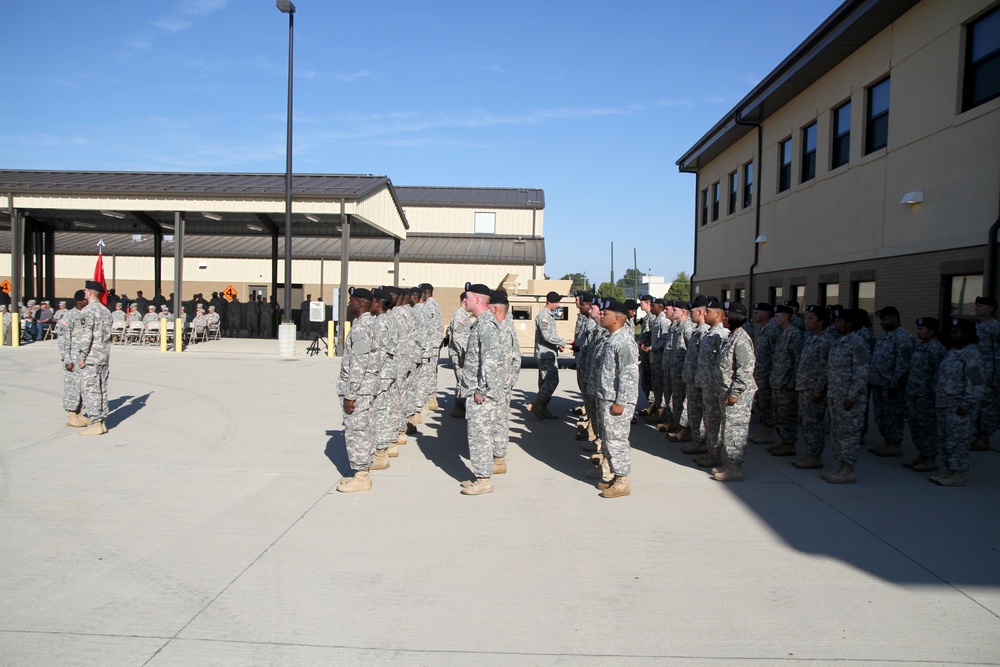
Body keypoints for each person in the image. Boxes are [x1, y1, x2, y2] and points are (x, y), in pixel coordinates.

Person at [458, 283, 503, 495]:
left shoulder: (486, 325)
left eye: (467, 297)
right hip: (476, 391)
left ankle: (484, 480)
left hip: (481, 395)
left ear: (477, 300)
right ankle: (480, 475)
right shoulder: (481, 323)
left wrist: (481, 390)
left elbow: (491, 361)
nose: (464, 301)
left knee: (480, 436)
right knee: (477, 436)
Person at [335, 287, 381, 493]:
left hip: (359, 389)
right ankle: (363, 471)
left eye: (351, 300)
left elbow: (359, 363)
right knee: (365, 428)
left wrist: (350, 394)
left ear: (361, 303)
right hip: (366, 387)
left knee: (357, 431)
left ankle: (361, 476)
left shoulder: (362, 328)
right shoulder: (365, 324)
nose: (348, 304)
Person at [593, 298, 640, 498]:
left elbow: (628, 374)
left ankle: (622, 481)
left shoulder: (624, 341)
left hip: (617, 401)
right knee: (609, 440)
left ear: (617, 319)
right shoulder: (612, 338)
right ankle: (614, 476)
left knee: (617, 441)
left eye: (606, 314)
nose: (601, 316)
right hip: (608, 398)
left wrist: (621, 401)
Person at [931, 318, 986, 486]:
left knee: (957, 441)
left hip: (958, 406)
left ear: (967, 334)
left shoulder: (972, 354)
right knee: (946, 440)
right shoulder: (954, 351)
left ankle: (957, 473)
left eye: (956, 333)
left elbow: (977, 382)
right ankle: (949, 471)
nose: (952, 336)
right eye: (951, 333)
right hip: (944, 404)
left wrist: (967, 404)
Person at [710, 301, 757, 481]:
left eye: (727, 315)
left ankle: (736, 468)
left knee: (735, 430)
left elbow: (745, 369)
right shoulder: (732, 336)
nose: (724, 319)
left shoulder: (742, 339)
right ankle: (730, 464)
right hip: (727, 392)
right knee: (728, 430)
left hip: (737, 395)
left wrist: (735, 392)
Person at [823, 307, 871, 483]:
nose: (836, 324)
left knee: (849, 433)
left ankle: (849, 469)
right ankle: (841, 466)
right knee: (837, 432)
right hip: (836, 397)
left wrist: (852, 396)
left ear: (849, 324)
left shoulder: (858, 343)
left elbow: (862, 372)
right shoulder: (838, 342)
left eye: (840, 321)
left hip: (849, 399)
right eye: (835, 321)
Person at [792, 305, 835, 469]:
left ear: (821, 321)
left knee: (814, 424)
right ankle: (810, 454)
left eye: (811, 318)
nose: (807, 320)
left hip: (814, 390)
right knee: (805, 423)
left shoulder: (825, 341)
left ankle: (814, 456)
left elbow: (825, 368)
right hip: (805, 387)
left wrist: (818, 390)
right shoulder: (811, 337)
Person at [868, 306, 915, 457]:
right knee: (880, 414)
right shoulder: (884, 336)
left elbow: (903, 364)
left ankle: (895, 443)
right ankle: (886, 441)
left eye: (884, 319)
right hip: (878, 382)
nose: (881, 322)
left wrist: (895, 383)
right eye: (881, 319)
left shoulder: (904, 337)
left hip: (891, 385)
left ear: (894, 318)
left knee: (893, 415)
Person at [904, 317, 947, 472]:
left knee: (927, 428)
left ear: (932, 331)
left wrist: (935, 395)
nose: (919, 332)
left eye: (922, 329)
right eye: (919, 329)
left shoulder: (937, 349)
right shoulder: (920, 347)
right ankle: (922, 454)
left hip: (927, 396)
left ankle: (930, 458)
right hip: (915, 393)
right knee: (916, 427)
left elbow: (939, 374)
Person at [693, 298, 729, 468]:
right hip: (706, 384)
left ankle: (715, 452)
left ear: (719, 314)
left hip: (715, 386)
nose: (705, 314)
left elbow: (724, 363)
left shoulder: (721, 334)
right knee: (708, 419)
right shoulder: (710, 332)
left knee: (714, 419)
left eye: (708, 312)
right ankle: (710, 450)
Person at [488, 290, 521, 475]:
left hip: (499, 384)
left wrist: (507, 382)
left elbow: (514, 356)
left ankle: (499, 458)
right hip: (503, 383)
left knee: (498, 420)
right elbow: (517, 356)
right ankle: (499, 454)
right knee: (500, 419)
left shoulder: (501, 328)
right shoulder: (505, 326)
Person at [74, 281, 113, 435]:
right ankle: (101, 421)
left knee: (90, 389)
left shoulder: (88, 311)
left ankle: (95, 422)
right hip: (103, 355)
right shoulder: (105, 311)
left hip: (91, 356)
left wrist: (82, 355)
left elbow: (86, 336)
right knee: (102, 389)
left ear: (89, 292)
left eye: (85, 290)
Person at [768, 304, 804, 457]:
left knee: (787, 414)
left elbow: (798, 359)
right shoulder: (782, 333)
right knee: (778, 414)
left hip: (786, 382)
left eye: (777, 316)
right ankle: (784, 441)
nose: (775, 318)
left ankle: (789, 443)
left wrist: (794, 379)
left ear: (786, 317)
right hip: (777, 380)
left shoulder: (794, 334)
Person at [370, 288, 399, 470]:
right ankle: (385, 448)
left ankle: (380, 455)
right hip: (388, 372)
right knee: (385, 411)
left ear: (378, 304)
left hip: (381, 374)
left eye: (372, 301)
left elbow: (377, 353)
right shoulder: (389, 319)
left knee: (380, 413)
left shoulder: (381, 323)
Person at [531, 291, 567, 419]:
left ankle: (543, 408)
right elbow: (546, 336)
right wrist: (562, 341)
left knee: (544, 381)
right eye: (556, 302)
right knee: (552, 380)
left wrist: (557, 345)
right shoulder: (543, 316)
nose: (558, 305)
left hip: (549, 351)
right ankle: (536, 404)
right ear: (549, 302)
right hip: (546, 353)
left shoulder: (549, 315)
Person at [58, 290, 88, 427]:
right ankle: (71, 414)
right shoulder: (69, 316)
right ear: (80, 300)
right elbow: (63, 338)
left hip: (84, 357)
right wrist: (67, 359)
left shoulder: (87, 314)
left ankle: (78, 412)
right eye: (86, 299)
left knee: (82, 386)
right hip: (72, 357)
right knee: (72, 385)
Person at [749, 302, 779, 444]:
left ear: (766, 314)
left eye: (757, 313)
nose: (754, 315)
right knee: (761, 403)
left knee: (767, 405)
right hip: (760, 373)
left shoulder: (772, 330)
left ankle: (767, 433)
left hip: (767, 374)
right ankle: (763, 431)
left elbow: (776, 354)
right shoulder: (763, 329)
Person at [972, 296, 999, 451]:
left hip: (989, 375)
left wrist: (997, 378)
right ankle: (977, 434)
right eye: (976, 305)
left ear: (990, 309)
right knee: (976, 404)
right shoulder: (977, 327)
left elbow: (999, 354)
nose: (976, 308)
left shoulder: (995, 328)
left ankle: (985, 437)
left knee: (988, 407)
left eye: (980, 306)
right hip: (976, 373)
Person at [447, 291, 474, 418]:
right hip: (459, 354)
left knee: (462, 380)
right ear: (464, 301)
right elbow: (457, 338)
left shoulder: (464, 316)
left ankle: (459, 406)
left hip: (461, 353)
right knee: (462, 381)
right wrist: (462, 355)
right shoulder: (460, 316)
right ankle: (457, 407)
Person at [420, 283, 443, 411]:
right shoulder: (435, 304)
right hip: (434, 344)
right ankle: (431, 397)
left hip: (431, 345)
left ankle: (430, 398)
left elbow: (427, 328)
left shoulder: (429, 306)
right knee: (431, 372)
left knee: (429, 372)